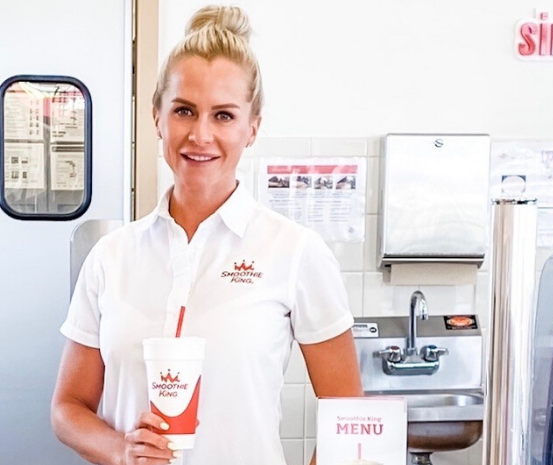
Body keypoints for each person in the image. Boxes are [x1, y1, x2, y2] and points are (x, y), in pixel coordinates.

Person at [50, 6, 362, 465]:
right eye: (184, 111)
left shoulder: (295, 252)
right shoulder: (110, 258)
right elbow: (66, 409)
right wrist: (120, 450)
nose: (200, 135)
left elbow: (347, 417)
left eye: (223, 116)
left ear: (252, 128)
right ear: (157, 118)